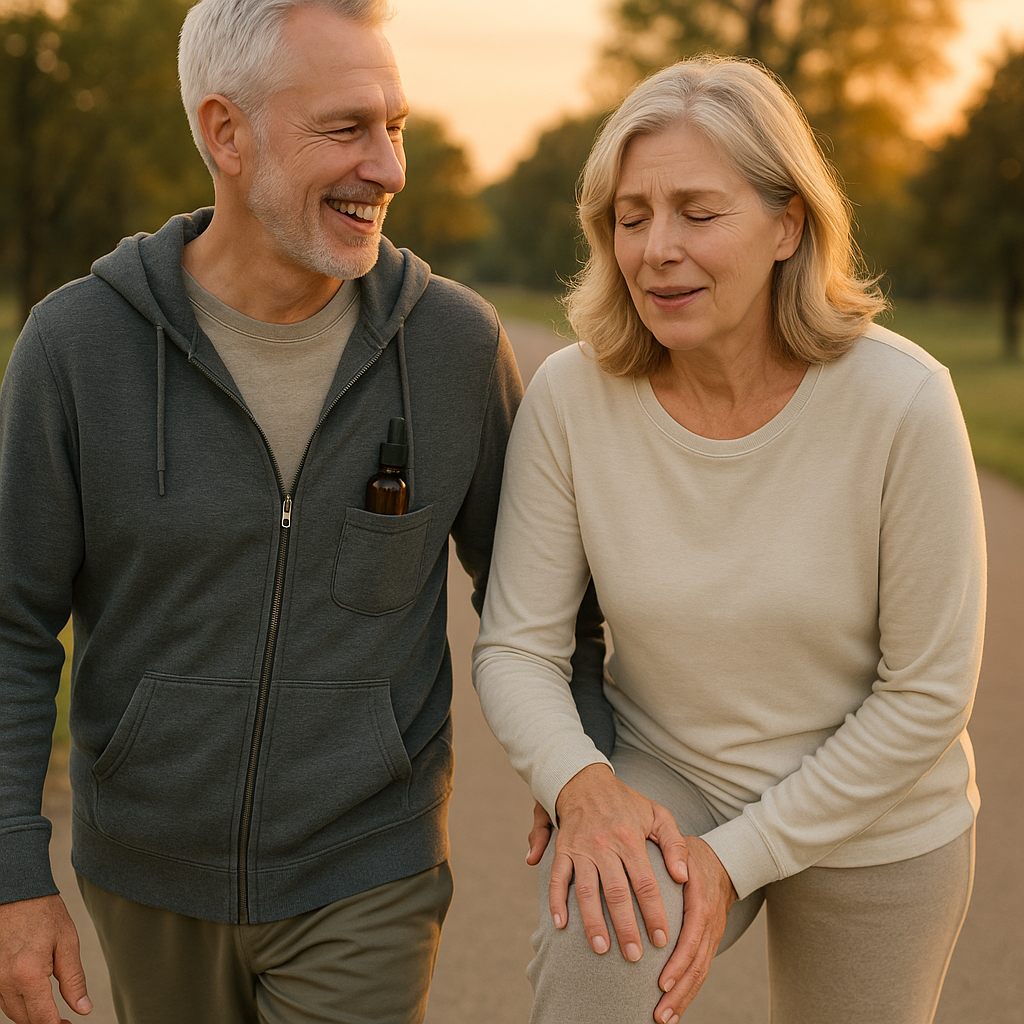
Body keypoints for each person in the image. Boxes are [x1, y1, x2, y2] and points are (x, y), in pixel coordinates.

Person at [0, 2, 610, 1023]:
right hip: (144, 871)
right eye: (345, 129)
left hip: (366, 865)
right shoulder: (75, 349)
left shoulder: (451, 347)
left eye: (395, 126)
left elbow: (542, 601)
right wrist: (15, 873)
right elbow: (12, 628)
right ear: (225, 133)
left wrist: (584, 774)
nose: (388, 167)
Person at [473, 55, 986, 1024]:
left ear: (787, 222)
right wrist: (580, 783)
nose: (656, 247)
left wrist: (734, 858)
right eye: (631, 217)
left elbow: (925, 694)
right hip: (673, 778)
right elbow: (517, 646)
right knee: (593, 966)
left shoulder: (904, 400)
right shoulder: (573, 399)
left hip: (877, 815)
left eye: (697, 214)